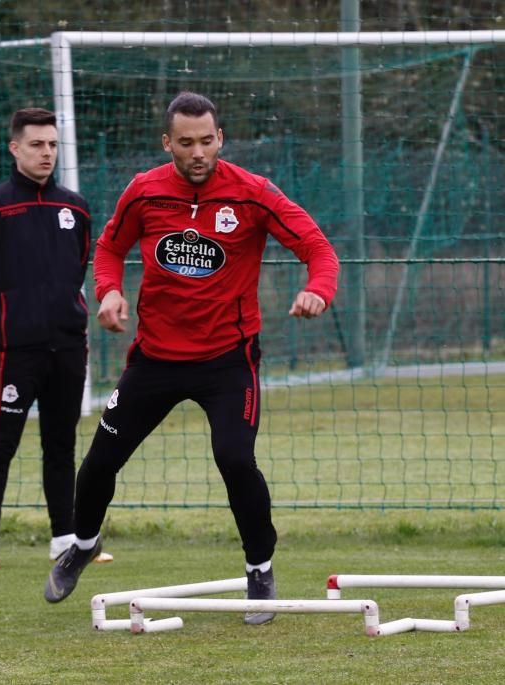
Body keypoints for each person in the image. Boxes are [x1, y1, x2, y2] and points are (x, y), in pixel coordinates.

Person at [44, 92, 339, 625]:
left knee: (234, 458)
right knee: (99, 462)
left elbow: (318, 248)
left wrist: (319, 289)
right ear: (168, 143)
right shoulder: (145, 191)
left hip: (229, 360)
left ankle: (259, 571)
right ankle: (83, 545)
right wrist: (109, 291)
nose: (197, 152)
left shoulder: (254, 194)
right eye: (186, 143)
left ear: (220, 139)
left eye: (207, 141)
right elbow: (109, 248)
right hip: (155, 357)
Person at [0, 107, 112, 570]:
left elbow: (79, 265)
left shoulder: (75, 208)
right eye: (36, 145)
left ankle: (65, 537)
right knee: (1, 443)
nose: (46, 153)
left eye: (52, 144)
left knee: (61, 445)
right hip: (13, 351)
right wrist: (4, 323)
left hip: (67, 346)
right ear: (15, 148)